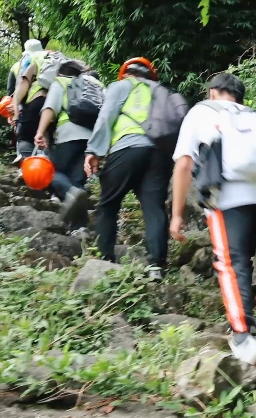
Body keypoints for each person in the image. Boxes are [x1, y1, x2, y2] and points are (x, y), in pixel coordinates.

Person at [169, 72, 256, 367]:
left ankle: (242, 336)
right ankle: (246, 324)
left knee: (229, 263)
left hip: (227, 199)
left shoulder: (201, 112)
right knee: (242, 260)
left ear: (213, 92)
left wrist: (177, 214)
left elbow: (184, 164)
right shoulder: (254, 118)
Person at [84, 57, 172, 279]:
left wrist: (94, 150)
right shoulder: (163, 92)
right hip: (160, 153)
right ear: (151, 75)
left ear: (125, 73)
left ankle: (105, 259)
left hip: (128, 146)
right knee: (154, 207)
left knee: (108, 204)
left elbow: (107, 116)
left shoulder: (122, 86)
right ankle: (156, 266)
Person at [34, 63, 95, 236]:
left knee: (51, 171)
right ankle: (79, 227)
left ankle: (69, 191)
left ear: (60, 73)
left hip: (69, 133)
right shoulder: (91, 87)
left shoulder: (60, 82)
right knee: (77, 181)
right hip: (92, 140)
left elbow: (50, 108)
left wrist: (39, 132)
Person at [11, 43, 51, 164]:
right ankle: (49, 168)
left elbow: (22, 84)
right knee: (49, 138)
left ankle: (28, 166)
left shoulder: (30, 59)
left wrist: (15, 111)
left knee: (25, 137)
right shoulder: (54, 58)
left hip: (37, 101)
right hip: (61, 105)